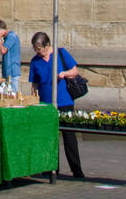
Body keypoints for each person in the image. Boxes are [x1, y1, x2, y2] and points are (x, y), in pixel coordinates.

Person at [29, 32, 85, 179]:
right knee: (49, 137)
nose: (37, 52)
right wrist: (35, 99)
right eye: (35, 49)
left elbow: (75, 70)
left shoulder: (61, 53)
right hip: (46, 104)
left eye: (39, 49)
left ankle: (77, 170)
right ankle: (52, 168)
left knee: (69, 137)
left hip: (64, 101)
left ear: (47, 45)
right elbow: (34, 84)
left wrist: (64, 74)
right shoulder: (35, 61)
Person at [0, 19, 22, 93]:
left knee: (12, 95)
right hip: (7, 72)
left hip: (12, 72)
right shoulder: (7, 38)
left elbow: (3, 50)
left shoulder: (11, 37)